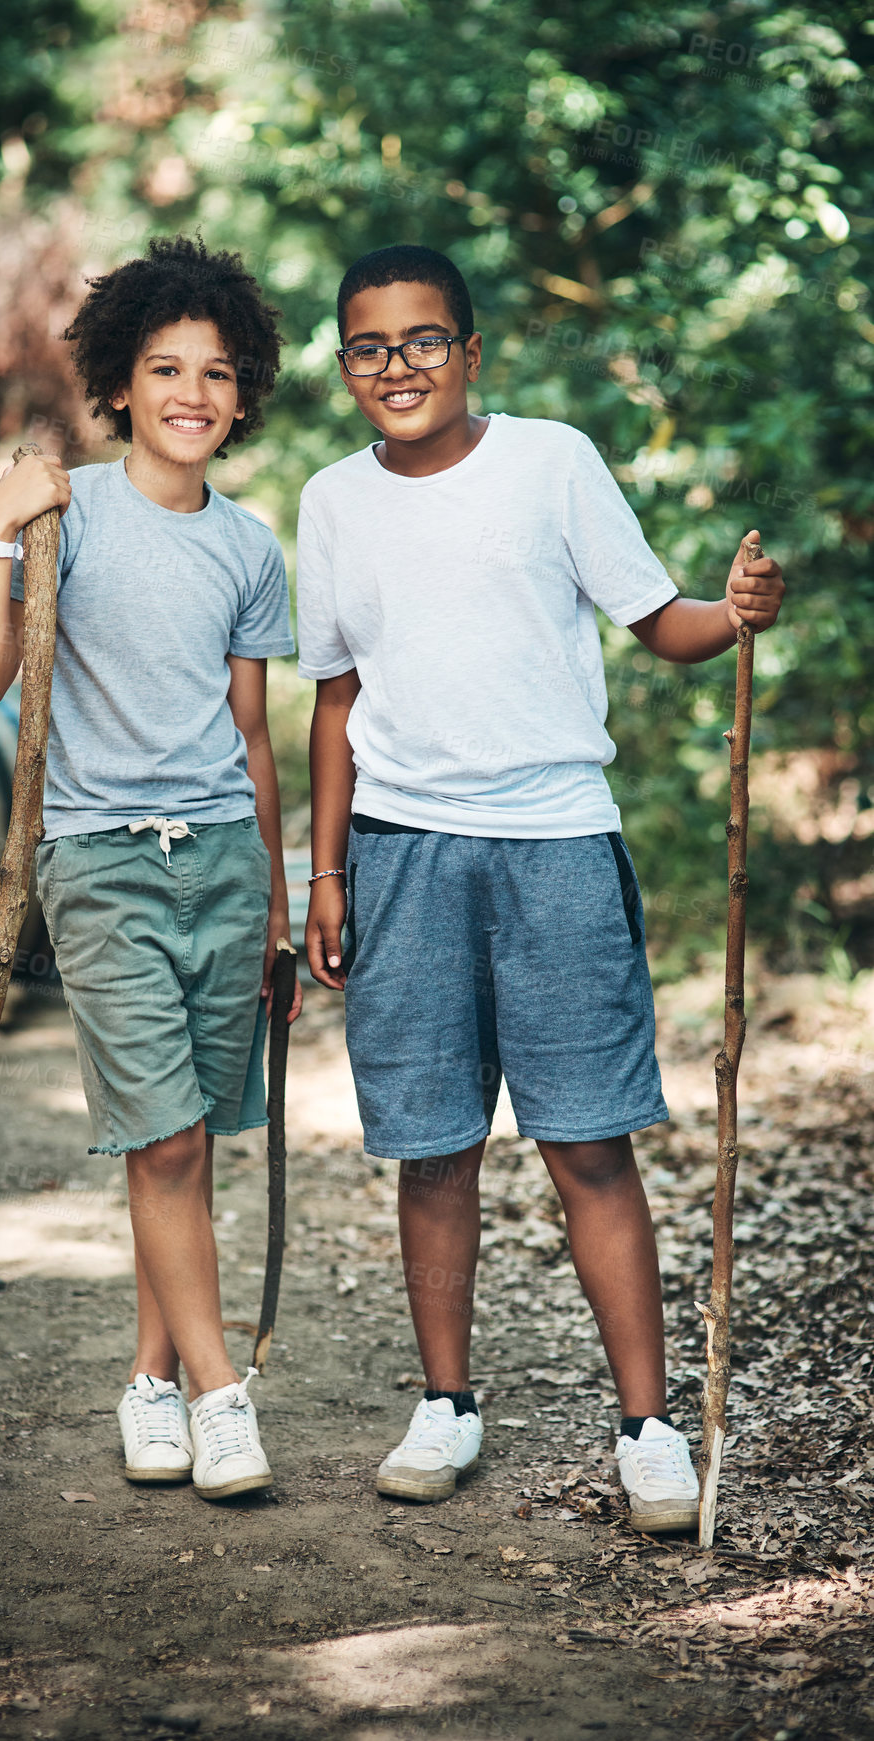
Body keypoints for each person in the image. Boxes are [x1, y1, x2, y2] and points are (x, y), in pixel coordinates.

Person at [300, 243, 785, 1531]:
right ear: (343, 365)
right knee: (431, 1145)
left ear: (469, 350)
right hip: (401, 851)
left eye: (420, 340)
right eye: (367, 345)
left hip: (556, 840)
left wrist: (731, 613)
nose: (395, 365)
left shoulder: (551, 460)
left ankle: (647, 1424)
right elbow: (334, 697)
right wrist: (326, 871)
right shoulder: (331, 501)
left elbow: (655, 622)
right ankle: (446, 1403)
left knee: (584, 1138)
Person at [0, 235, 301, 1502]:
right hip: (98, 859)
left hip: (220, 863)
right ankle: (219, 1393)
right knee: (161, 1140)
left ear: (245, 393)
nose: (190, 394)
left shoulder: (251, 551)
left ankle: (148, 1378)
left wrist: (276, 899)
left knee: (190, 1140)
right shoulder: (68, 508)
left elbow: (253, 738)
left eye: (216, 372)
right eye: (165, 368)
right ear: (119, 382)